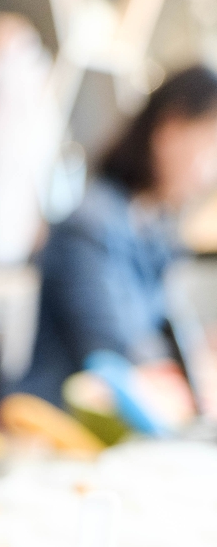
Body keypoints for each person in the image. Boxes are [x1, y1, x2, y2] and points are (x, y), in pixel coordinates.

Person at [19, 64, 217, 407]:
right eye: (210, 148)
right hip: (58, 421)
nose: (210, 174)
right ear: (169, 132)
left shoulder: (154, 228)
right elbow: (117, 353)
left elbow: (168, 333)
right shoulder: (91, 225)